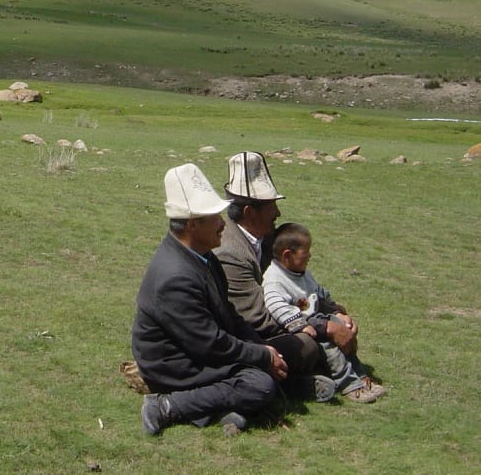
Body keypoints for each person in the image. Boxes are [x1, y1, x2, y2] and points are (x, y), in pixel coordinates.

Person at [131, 163, 289, 435]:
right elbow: (209, 343)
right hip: (173, 363)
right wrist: (260, 356)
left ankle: (216, 412)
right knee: (258, 385)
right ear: (193, 224)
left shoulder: (204, 256)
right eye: (215, 218)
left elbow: (227, 313)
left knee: (277, 358)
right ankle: (167, 405)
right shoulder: (175, 277)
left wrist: (262, 348)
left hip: (196, 348)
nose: (223, 224)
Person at [213, 151, 335, 402]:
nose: (277, 213)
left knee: (312, 341)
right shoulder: (231, 253)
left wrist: (332, 313)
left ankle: (291, 383)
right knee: (305, 345)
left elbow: (296, 284)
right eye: (271, 206)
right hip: (242, 337)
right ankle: (287, 386)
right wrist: (320, 326)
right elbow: (257, 317)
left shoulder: (267, 240)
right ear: (250, 212)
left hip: (274, 324)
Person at [262, 222, 386, 403]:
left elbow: (319, 294)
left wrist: (335, 310)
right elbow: (275, 304)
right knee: (330, 347)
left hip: (316, 318)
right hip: (302, 325)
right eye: (306, 252)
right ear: (287, 255)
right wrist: (298, 324)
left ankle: (360, 374)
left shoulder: (302, 272)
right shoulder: (275, 279)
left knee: (344, 328)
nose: (310, 255)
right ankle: (348, 384)